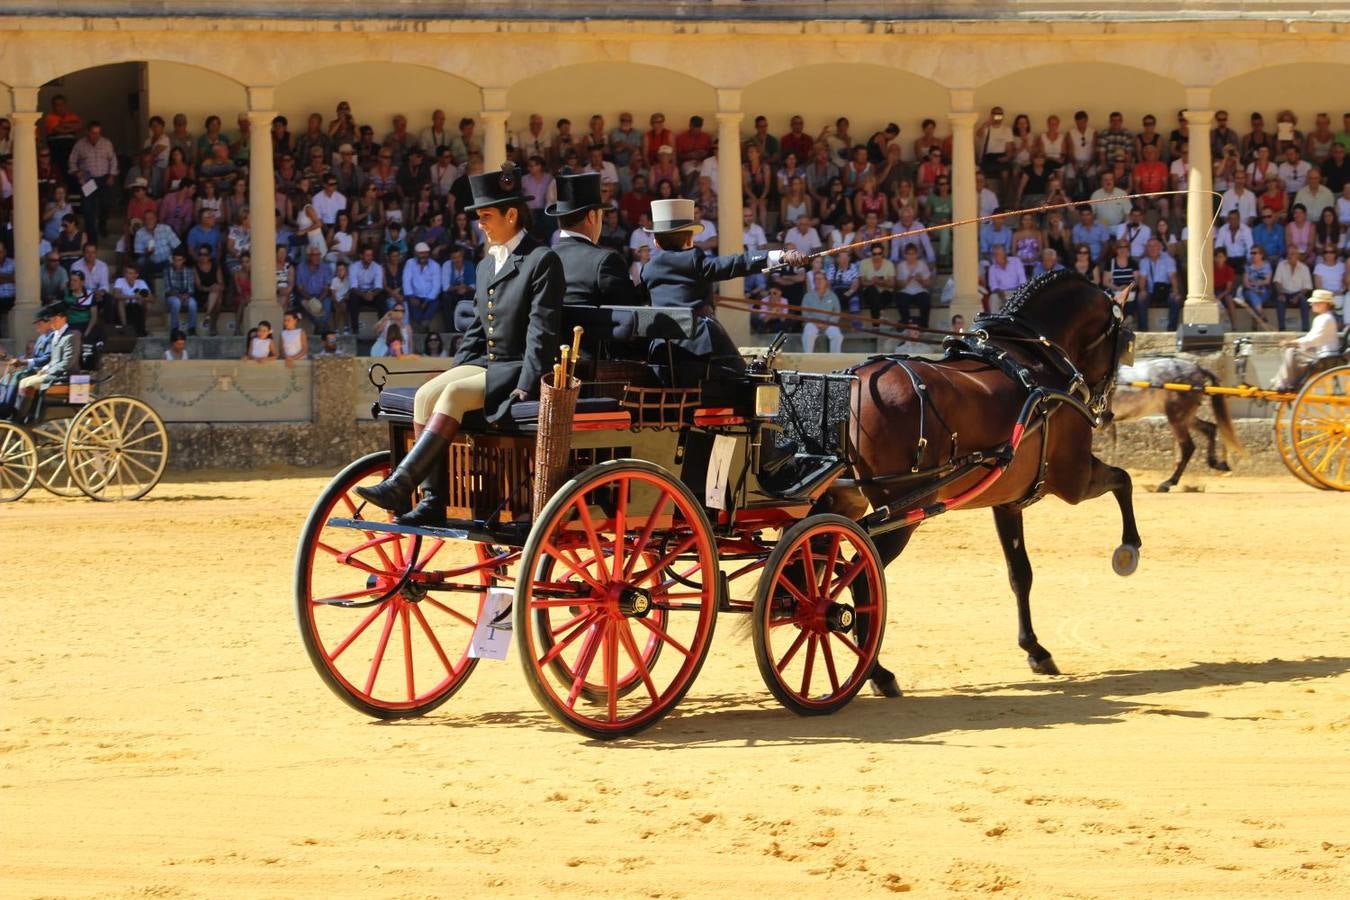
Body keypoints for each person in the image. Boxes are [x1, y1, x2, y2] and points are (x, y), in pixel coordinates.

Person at [357, 162, 564, 528]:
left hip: (516, 368)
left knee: (451, 395)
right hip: (487, 363)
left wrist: (525, 386)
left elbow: (541, 333)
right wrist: (455, 368)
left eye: (486, 216)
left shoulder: (540, 260)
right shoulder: (487, 264)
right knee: (426, 394)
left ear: (511, 214)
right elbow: (478, 330)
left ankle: (401, 484)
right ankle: (433, 500)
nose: (479, 223)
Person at [639, 198, 806, 377]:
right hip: (702, 345)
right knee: (747, 381)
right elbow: (736, 263)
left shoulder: (647, 270)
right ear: (689, 239)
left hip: (662, 352)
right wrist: (780, 256)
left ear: (656, 241)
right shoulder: (694, 260)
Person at [546, 171, 637, 308]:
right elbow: (630, 314)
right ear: (592, 216)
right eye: (601, 216)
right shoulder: (606, 261)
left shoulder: (541, 259)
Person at [10, 304, 80, 423]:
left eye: (53, 319)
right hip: (53, 373)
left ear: (62, 318)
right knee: (23, 381)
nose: (51, 322)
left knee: (28, 384)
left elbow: (68, 362)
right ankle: (23, 414)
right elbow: (54, 359)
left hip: (65, 375)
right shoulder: (56, 335)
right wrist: (46, 367)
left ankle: (20, 418)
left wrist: (48, 370)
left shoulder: (72, 335)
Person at [1271, 290, 1342, 391]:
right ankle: (1283, 382)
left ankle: (1286, 383)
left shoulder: (1326, 318)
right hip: (1320, 351)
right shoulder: (1323, 318)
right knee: (1291, 351)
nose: (1312, 304)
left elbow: (1313, 339)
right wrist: (1294, 343)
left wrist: (1292, 343)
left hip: (1324, 354)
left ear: (1325, 304)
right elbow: (1311, 338)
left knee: (1291, 352)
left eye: (1316, 302)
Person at [799, 271, 844, 353]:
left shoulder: (833, 296)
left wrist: (828, 323)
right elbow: (804, 313)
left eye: (821, 279)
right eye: (816, 279)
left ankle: (835, 361)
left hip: (829, 324)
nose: (818, 281)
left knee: (837, 336)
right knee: (808, 334)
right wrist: (815, 322)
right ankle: (808, 360)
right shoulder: (808, 296)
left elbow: (837, 312)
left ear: (826, 281)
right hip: (812, 323)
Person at [1273, 243, 1314, 331]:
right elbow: (1277, 282)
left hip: (1299, 293)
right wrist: (1280, 293)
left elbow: (1307, 287)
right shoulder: (1281, 265)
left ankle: (1305, 329)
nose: (1289, 256)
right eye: (1288, 254)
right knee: (1279, 300)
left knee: (1304, 300)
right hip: (1284, 292)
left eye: (1292, 254)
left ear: (1297, 255)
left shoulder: (1304, 268)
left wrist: (1297, 296)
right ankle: (1282, 329)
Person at [894, 243, 933, 327]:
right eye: (908, 254)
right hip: (905, 291)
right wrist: (907, 280)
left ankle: (924, 326)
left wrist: (920, 280)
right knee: (901, 302)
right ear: (905, 255)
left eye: (913, 254)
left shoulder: (922, 264)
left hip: (920, 291)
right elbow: (898, 285)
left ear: (916, 254)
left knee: (925, 302)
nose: (911, 256)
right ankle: (906, 325)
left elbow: (928, 283)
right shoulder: (901, 266)